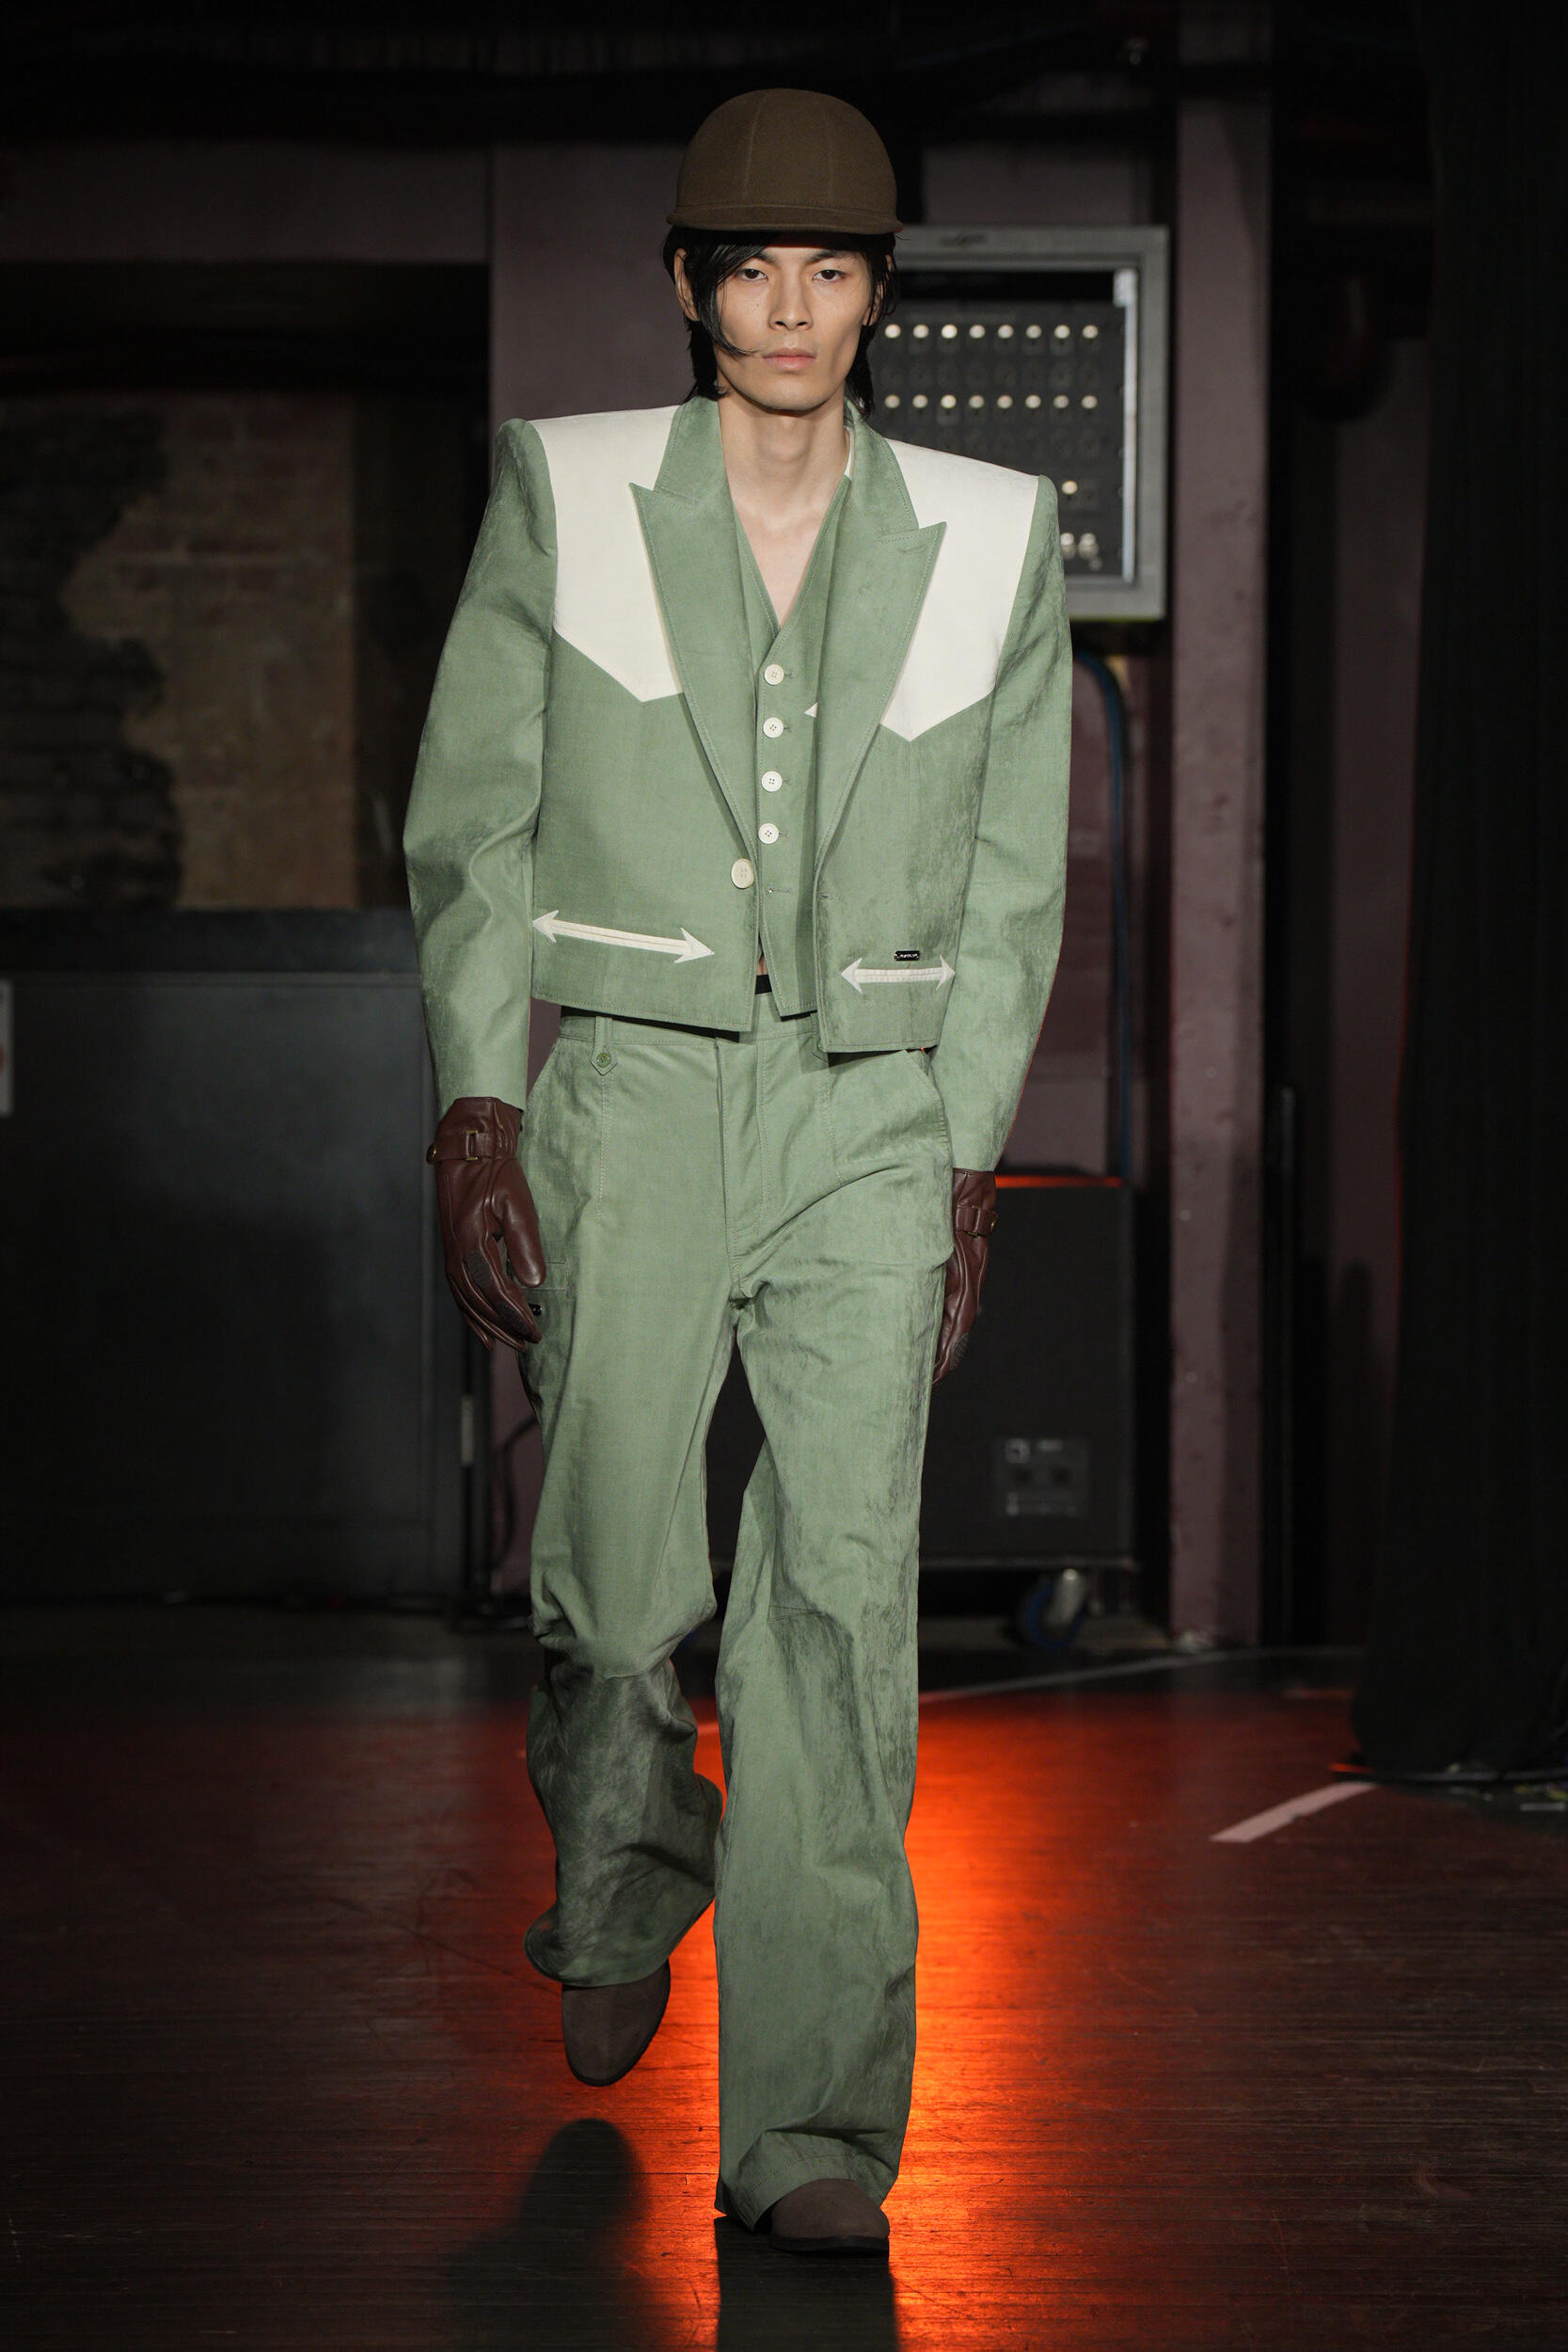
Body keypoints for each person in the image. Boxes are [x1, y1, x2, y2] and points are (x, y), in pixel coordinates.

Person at [404, 87, 1070, 2259]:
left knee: (839, 1610)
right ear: (690, 285)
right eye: (754, 267)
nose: (792, 306)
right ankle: (623, 1867)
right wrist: (477, 1099)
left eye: (834, 267)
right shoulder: (575, 491)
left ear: (879, 293)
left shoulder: (990, 529)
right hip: (635, 1090)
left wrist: (964, 1152)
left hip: (870, 1111)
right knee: (611, 1591)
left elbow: (1014, 875)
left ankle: (809, 2122)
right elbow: (474, 817)